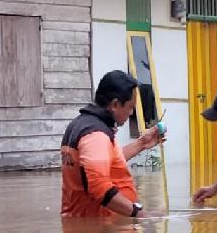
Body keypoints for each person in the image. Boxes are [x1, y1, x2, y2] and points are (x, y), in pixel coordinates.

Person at [61, 70, 163, 218]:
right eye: (130, 106)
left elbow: (106, 162)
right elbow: (99, 187)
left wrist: (141, 143)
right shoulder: (95, 135)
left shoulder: (82, 125)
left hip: (90, 226)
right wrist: (139, 214)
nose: (131, 112)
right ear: (115, 104)